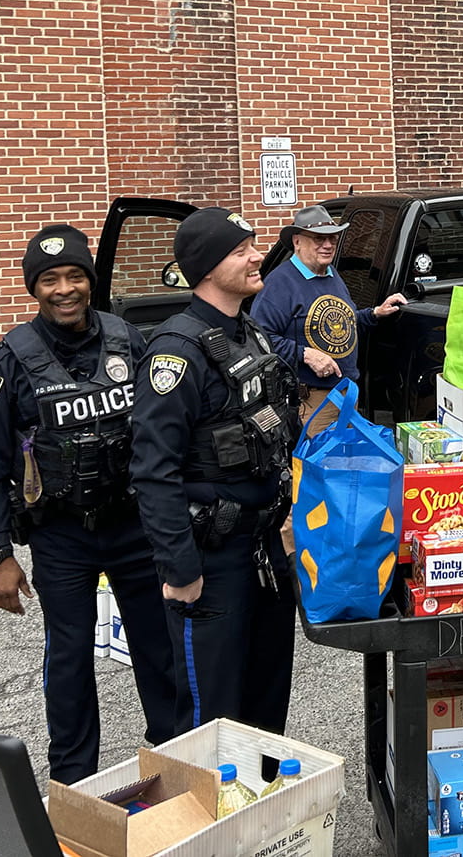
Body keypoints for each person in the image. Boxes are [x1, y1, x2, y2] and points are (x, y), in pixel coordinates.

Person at [0, 224, 176, 785]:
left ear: (90, 280)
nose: (64, 289)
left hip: (136, 529)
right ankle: (73, 782)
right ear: (34, 288)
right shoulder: (6, 363)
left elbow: (169, 432)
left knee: (160, 651)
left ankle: (179, 760)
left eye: (75, 276)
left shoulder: (132, 340)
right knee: (70, 660)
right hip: (61, 538)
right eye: (49, 279)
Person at [130, 207, 300, 735]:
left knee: (266, 705)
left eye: (252, 245)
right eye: (240, 250)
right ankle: (209, 816)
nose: (256, 256)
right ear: (206, 269)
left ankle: (264, 812)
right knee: (212, 722)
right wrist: (180, 569)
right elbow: (152, 471)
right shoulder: (176, 353)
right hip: (213, 560)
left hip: (266, 551)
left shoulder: (249, 333)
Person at [253, 204, 406, 433]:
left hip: (347, 395)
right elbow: (258, 338)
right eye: (318, 238)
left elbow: (339, 322)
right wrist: (305, 354)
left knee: (342, 464)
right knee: (315, 464)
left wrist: (374, 313)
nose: (327, 245)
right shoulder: (280, 282)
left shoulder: (331, 274)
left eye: (333, 239)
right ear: (297, 241)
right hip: (312, 402)